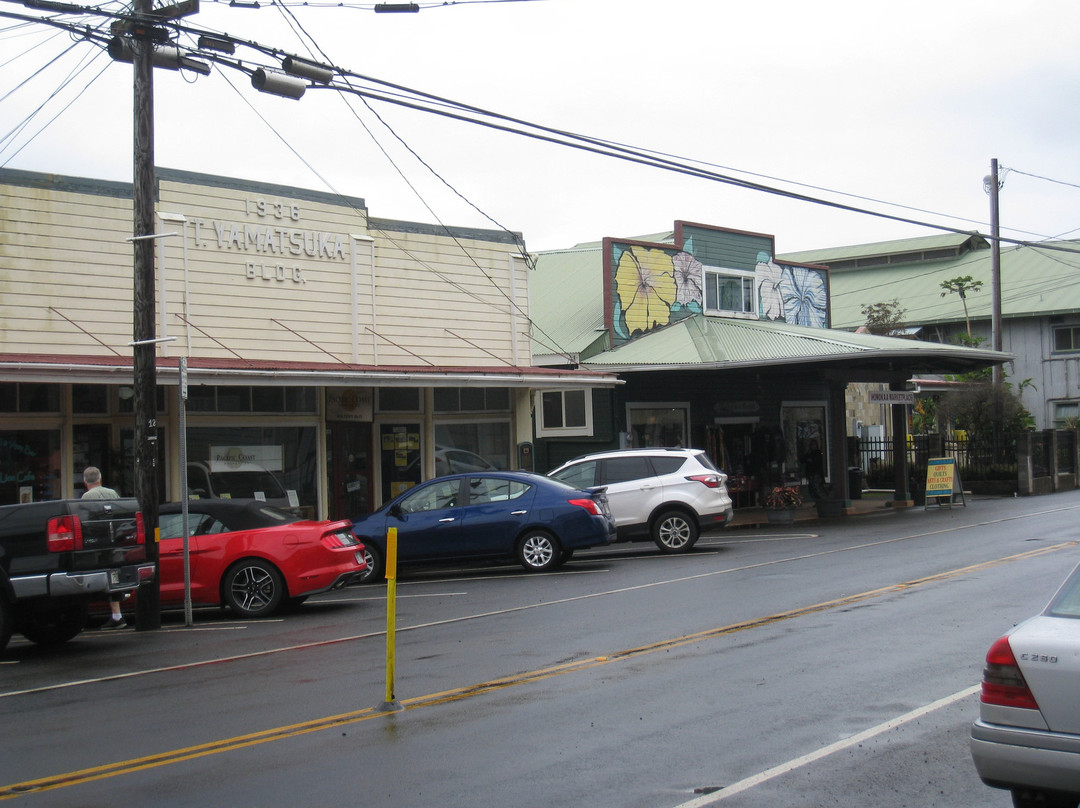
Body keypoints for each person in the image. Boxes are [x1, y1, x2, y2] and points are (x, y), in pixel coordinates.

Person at [81, 467, 126, 628]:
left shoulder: (86, 497)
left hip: (98, 544)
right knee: (114, 576)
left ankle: (114, 616)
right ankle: (117, 615)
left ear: (85, 481)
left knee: (98, 578)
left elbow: (85, 522)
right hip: (115, 541)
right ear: (100, 479)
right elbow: (121, 515)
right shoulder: (112, 493)